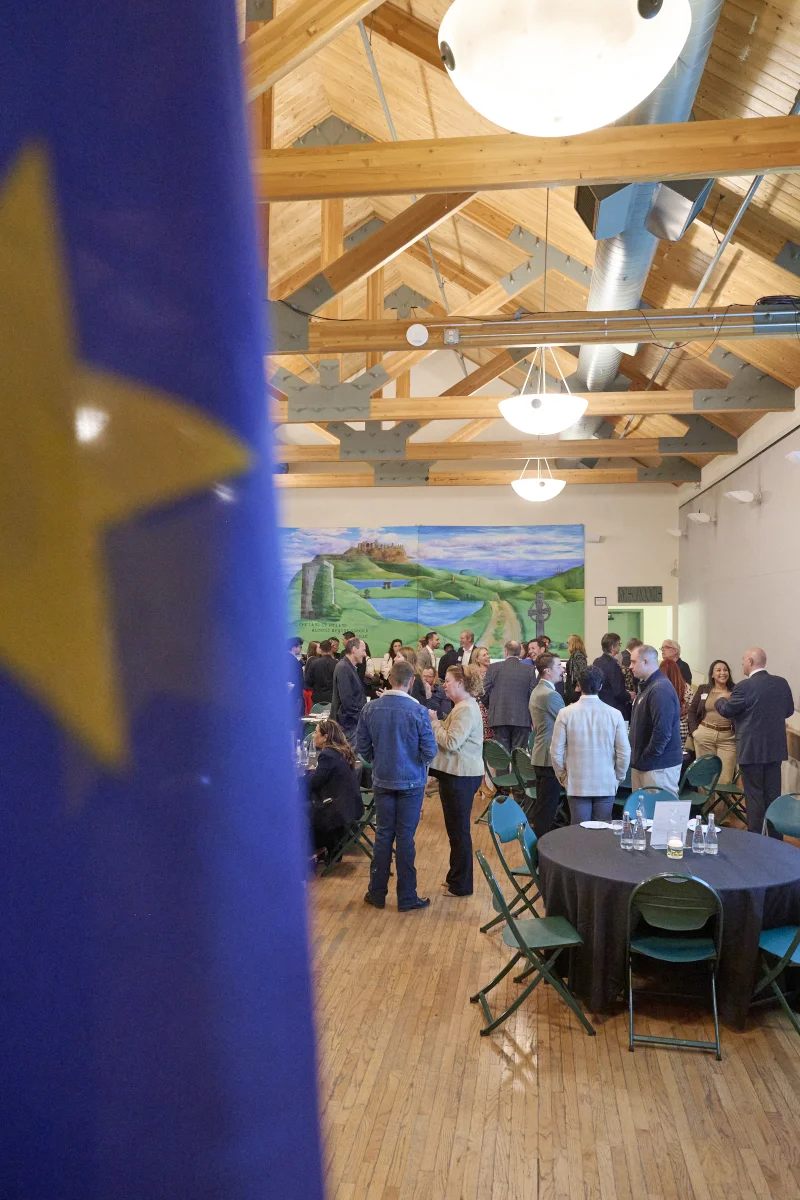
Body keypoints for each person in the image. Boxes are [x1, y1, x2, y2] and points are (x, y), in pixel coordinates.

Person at [356, 661, 438, 911]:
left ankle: (376, 893)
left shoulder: (370, 709)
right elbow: (430, 750)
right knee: (405, 838)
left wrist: (379, 760)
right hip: (412, 781)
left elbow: (362, 748)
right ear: (412, 681)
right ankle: (407, 896)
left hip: (382, 779)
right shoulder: (419, 711)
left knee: (382, 835)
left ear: (389, 679)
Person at [715, 647, 795, 836]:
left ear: (751, 662)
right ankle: (776, 840)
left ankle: (755, 840)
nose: (742, 663)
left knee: (754, 798)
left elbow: (727, 710)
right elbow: (789, 711)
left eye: (743, 660)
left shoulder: (744, 686)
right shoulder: (781, 683)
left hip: (751, 751)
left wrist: (720, 699)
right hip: (775, 750)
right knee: (773, 797)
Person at [429, 665, 485, 898]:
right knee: (456, 831)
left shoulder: (465, 709)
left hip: (461, 776)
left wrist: (433, 722)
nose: (444, 684)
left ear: (461, 683)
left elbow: (451, 742)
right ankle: (455, 878)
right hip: (458, 774)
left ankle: (461, 885)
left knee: (459, 831)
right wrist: (439, 722)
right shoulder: (462, 707)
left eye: (448, 680)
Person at [550, 665, 631, 824]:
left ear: (579, 686)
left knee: (579, 833)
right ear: (600, 685)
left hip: (577, 781)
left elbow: (556, 751)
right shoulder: (615, 714)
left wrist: (563, 776)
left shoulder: (565, 713)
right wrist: (618, 777)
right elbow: (624, 752)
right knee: (602, 832)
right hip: (606, 781)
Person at [307, 719, 363, 863]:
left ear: (325, 737)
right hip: (350, 806)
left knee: (301, 808)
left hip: (337, 811)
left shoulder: (327, 755)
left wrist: (311, 772)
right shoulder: (340, 752)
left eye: (316, 732)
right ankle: (327, 848)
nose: (313, 735)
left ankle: (314, 850)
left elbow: (314, 783)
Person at [628, 644, 682, 792]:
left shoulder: (660, 689)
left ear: (645, 661)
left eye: (633, 662)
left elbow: (662, 732)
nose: (629, 666)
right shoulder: (648, 686)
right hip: (644, 765)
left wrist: (647, 758)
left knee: (660, 814)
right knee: (642, 813)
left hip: (658, 767)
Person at [529, 652, 566, 839]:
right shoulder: (550, 695)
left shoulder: (539, 691)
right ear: (548, 671)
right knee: (546, 811)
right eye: (559, 666)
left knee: (543, 807)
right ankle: (540, 856)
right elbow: (569, 721)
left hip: (541, 754)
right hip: (548, 758)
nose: (562, 669)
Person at [687, 660, 737, 786]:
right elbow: (692, 711)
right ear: (712, 674)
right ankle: (705, 806)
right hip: (704, 735)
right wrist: (695, 732)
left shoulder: (736, 691)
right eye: (718, 670)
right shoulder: (704, 689)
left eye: (725, 670)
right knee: (705, 776)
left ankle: (720, 807)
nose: (722, 673)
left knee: (725, 780)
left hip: (728, 738)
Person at [482, 640, 535, 752]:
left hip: (499, 717)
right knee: (519, 758)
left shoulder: (493, 668)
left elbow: (483, 692)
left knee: (502, 759)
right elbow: (532, 695)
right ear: (520, 651)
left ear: (506, 652)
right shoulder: (529, 670)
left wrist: (492, 706)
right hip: (522, 719)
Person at [330, 637, 367, 743]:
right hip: (348, 725)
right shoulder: (344, 667)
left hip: (350, 723)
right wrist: (361, 718)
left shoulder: (349, 667)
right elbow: (347, 700)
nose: (365, 654)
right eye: (363, 650)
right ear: (354, 649)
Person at [593, 632, 631, 720]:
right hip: (614, 708)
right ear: (613, 647)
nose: (620, 647)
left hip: (599, 705)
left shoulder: (596, 662)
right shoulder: (614, 665)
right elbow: (618, 692)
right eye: (619, 644)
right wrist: (629, 696)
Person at [659, 657, 693, 749]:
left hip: (664, 728)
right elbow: (691, 711)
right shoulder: (687, 688)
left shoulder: (660, 687)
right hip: (682, 729)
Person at [304, 638, 337, 707]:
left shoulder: (314, 663)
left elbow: (308, 681)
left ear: (321, 649)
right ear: (331, 649)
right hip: (332, 697)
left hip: (317, 697)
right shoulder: (336, 663)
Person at [563, 634, 588, 705]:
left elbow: (583, 671)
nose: (567, 645)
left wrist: (578, 686)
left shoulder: (578, 655)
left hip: (575, 689)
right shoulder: (576, 655)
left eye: (568, 643)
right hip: (573, 688)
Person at [288, 637, 305, 725]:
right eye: (300, 647)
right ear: (294, 648)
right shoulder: (292, 660)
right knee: (295, 719)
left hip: (291, 693)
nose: (300, 649)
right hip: (294, 694)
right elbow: (297, 678)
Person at [302, 641, 319, 714]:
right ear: (314, 649)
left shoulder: (311, 658)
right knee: (310, 710)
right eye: (319, 647)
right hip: (310, 690)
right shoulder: (313, 660)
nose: (321, 649)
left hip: (308, 689)